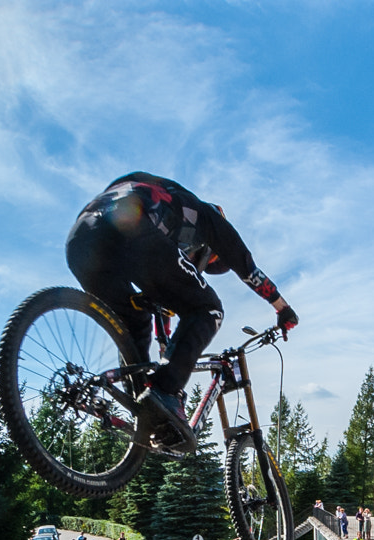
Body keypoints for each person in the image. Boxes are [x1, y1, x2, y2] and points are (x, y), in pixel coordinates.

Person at [65, 172, 298, 445]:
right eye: (207, 257)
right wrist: (282, 308)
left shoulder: (168, 206)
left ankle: (141, 402)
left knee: (134, 318)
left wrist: (167, 353)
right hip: (133, 226)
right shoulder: (206, 216)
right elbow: (247, 267)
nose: (198, 260)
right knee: (209, 309)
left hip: (81, 239)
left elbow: (162, 302)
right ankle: (164, 391)